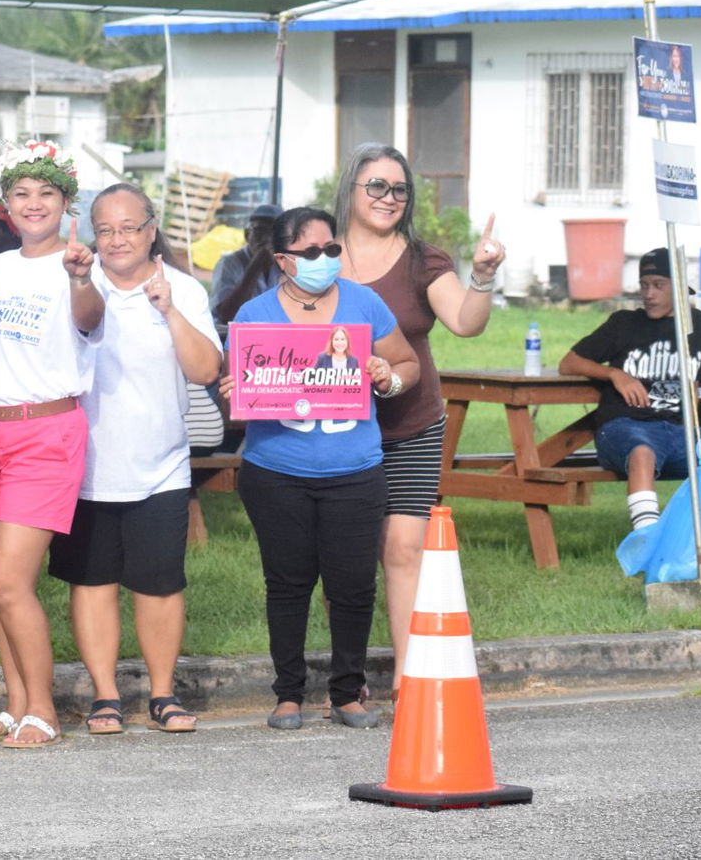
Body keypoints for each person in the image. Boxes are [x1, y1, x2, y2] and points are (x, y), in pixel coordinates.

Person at [222, 207, 420, 731]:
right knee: (287, 584)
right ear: (284, 260)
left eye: (332, 249)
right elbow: (235, 404)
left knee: (353, 585)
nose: (326, 259)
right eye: (312, 252)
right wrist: (234, 396)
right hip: (276, 471)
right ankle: (289, 694)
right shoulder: (255, 317)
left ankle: (347, 692)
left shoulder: (363, 303)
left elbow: (408, 364)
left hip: (355, 469)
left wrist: (387, 378)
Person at [331, 142, 504, 695]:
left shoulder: (422, 259)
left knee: (403, 548)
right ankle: (346, 679)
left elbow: (464, 321)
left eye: (400, 188)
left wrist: (481, 276)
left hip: (412, 426)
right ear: (352, 190)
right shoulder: (321, 258)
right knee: (346, 557)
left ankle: (411, 684)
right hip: (333, 433)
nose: (389, 197)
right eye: (377, 186)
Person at [51, 182, 220, 736]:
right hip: (86, 465)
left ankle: (163, 693)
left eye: (129, 227)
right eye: (106, 229)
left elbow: (204, 371)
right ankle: (104, 695)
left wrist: (169, 311)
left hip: (161, 464)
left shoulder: (184, 290)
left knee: (159, 584)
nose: (118, 239)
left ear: (152, 230)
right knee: (93, 582)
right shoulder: (76, 282)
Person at [0, 140, 102, 749]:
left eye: (46, 193)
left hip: (42, 433)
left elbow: (90, 320)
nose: (33, 203)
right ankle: (14, 704)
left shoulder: (77, 267)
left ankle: (44, 708)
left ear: (67, 202)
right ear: (5, 205)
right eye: (21, 194)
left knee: (11, 581)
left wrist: (81, 278)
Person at [560, 247, 701, 531]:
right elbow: (569, 363)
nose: (648, 294)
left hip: (684, 431)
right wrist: (615, 374)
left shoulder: (699, 326)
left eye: (658, 286)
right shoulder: (624, 324)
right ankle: (647, 540)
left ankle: (691, 542)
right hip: (626, 427)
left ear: (677, 288)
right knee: (642, 451)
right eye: (644, 285)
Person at [211, 203, 282, 325]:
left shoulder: (285, 263)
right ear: (247, 234)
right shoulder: (230, 263)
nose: (267, 239)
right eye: (260, 231)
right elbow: (227, 315)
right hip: (235, 336)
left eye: (274, 234)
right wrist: (256, 265)